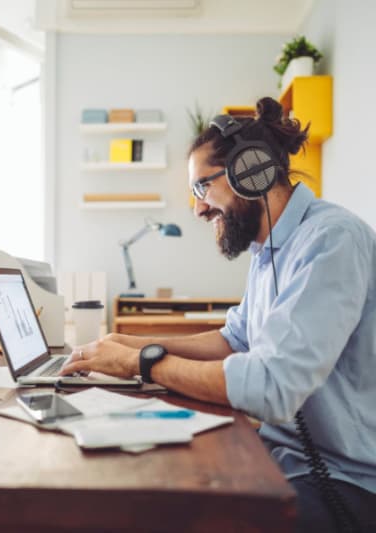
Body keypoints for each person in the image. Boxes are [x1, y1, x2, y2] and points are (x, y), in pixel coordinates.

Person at [61, 97, 376, 532]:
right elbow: (235, 339)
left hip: (344, 482)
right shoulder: (269, 250)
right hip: (283, 456)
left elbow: (272, 388)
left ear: (250, 171)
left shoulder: (330, 241)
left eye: (201, 188)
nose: (198, 209)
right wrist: (123, 344)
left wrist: (142, 362)